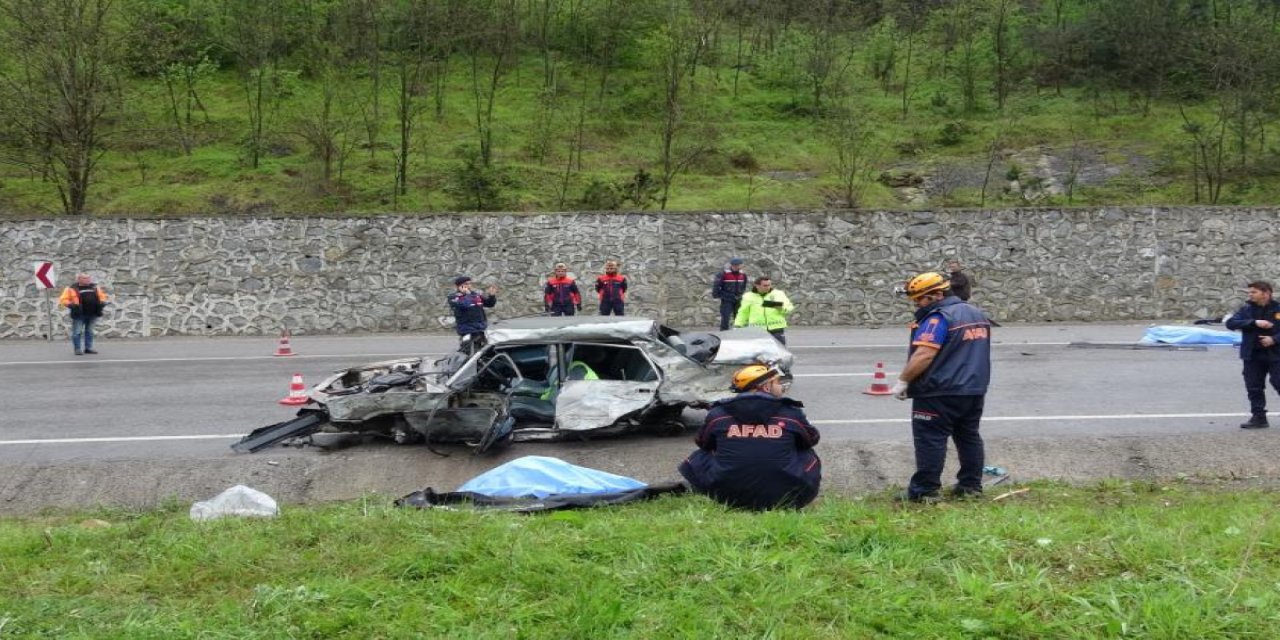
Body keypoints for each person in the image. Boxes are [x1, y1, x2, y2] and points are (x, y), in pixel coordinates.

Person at [890, 271, 992, 502]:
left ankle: (925, 491)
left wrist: (903, 381)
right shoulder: (975, 313)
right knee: (968, 437)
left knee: (930, 439)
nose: (916, 304)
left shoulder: (938, 318)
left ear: (937, 294)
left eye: (920, 299)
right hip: (974, 389)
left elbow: (924, 354)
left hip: (939, 390)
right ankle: (970, 487)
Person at [678, 364, 821, 510]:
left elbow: (703, 443)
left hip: (726, 496)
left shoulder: (718, 414)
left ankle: (711, 489)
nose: (781, 387)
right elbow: (812, 439)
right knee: (806, 452)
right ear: (766, 387)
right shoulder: (791, 413)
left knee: (700, 456)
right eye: (778, 382)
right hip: (789, 497)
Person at [1225, 280, 1280, 429]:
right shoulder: (1246, 309)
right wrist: (1254, 323)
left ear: (1266, 293)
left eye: (1254, 292)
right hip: (1252, 354)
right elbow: (1231, 323)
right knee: (1254, 386)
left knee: (1278, 382)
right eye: (1249, 292)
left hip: (1276, 354)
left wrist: (1273, 339)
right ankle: (1259, 417)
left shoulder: (1278, 309)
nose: (1250, 295)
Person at [58, 272, 110, 356]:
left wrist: (103, 302)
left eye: (88, 278)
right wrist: (70, 305)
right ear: (79, 279)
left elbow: (102, 296)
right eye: (85, 278)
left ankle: (88, 348)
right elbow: (63, 299)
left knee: (89, 331)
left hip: (93, 313)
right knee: (77, 332)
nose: (88, 280)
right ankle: (77, 349)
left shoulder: (95, 287)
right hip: (79, 314)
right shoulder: (71, 288)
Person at [734, 276, 794, 344]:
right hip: (757, 330)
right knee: (759, 352)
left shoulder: (778, 293)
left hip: (776, 329)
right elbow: (743, 312)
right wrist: (738, 325)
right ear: (757, 286)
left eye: (769, 285)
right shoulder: (748, 296)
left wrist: (781, 308)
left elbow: (789, 307)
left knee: (780, 352)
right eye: (765, 285)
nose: (768, 287)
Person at [447, 276, 497, 348]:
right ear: (458, 286)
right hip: (467, 329)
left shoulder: (475, 295)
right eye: (466, 284)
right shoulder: (454, 297)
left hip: (480, 328)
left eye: (470, 284)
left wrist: (492, 296)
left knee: (483, 352)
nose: (469, 286)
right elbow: (465, 305)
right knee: (469, 351)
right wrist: (466, 295)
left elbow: (490, 304)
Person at [712, 258, 748, 331]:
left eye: (738, 265)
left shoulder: (743, 275)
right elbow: (716, 286)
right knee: (725, 316)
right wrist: (717, 295)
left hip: (738, 299)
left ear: (741, 265)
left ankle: (739, 332)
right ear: (731, 265)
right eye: (734, 265)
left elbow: (744, 286)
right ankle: (724, 333)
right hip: (727, 299)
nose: (736, 267)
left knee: (738, 317)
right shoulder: (723, 274)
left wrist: (741, 294)